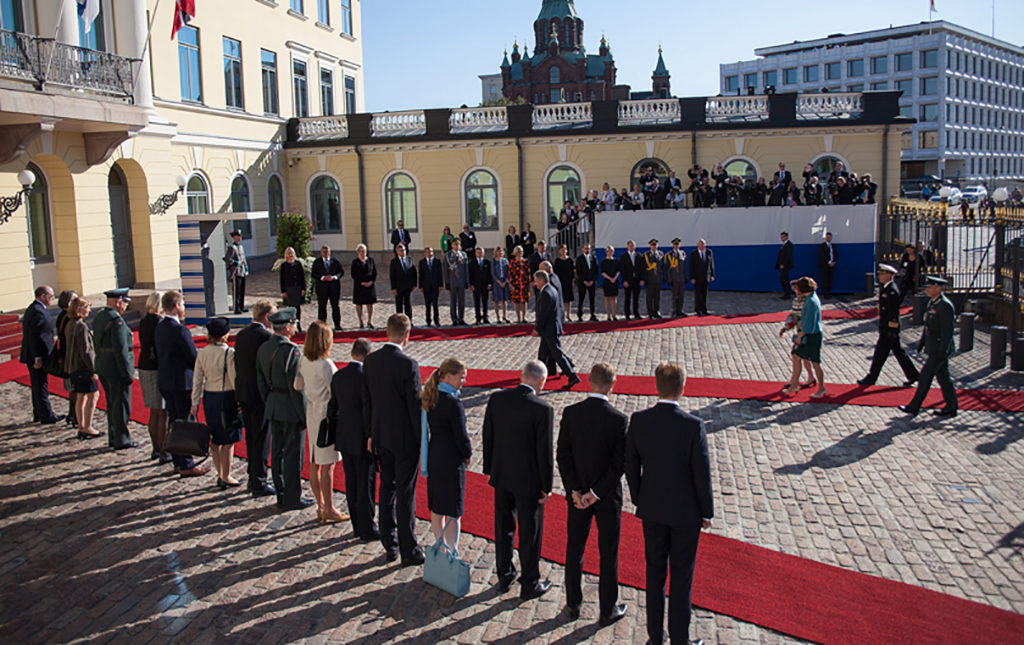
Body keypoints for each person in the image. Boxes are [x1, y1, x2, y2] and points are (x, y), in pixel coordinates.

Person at [626, 362, 713, 645]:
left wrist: (640, 497)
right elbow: (702, 472)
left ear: (656, 386)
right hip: (686, 512)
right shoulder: (693, 426)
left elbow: (631, 466)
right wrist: (707, 511)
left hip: (652, 506)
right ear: (683, 389)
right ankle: (680, 639)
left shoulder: (639, 420)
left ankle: (655, 637)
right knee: (681, 576)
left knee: (654, 574)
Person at [557, 363, 629, 625]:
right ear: (613, 384)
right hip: (607, 496)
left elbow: (562, 455)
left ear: (589, 381)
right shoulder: (618, 419)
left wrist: (575, 490)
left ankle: (573, 603)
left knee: (574, 548)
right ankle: (606, 608)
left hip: (577, 495)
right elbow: (619, 464)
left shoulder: (571, 413)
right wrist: (596, 493)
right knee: (608, 551)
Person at [483, 360, 554, 600]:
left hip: (502, 474)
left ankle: (504, 574)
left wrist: (490, 468)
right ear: (541, 381)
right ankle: (529, 582)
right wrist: (547, 486)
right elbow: (544, 453)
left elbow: (487, 435)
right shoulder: (542, 409)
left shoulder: (497, 399)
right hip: (529, 481)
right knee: (530, 532)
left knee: (503, 528)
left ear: (521, 376)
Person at [363, 313, 424, 565]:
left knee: (386, 486)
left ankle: (389, 541)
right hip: (404, 439)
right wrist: (422, 440)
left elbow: (366, 401)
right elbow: (415, 408)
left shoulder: (371, 361)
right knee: (405, 492)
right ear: (406, 335)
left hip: (380, 434)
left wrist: (369, 433)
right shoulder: (408, 365)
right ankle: (408, 547)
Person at [257, 307, 313, 510]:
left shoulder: (264, 348)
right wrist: (303, 414)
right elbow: (296, 388)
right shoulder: (291, 352)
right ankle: (292, 496)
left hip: (273, 404)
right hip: (289, 408)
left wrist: (269, 401)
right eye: (294, 324)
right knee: (292, 455)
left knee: (277, 452)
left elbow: (260, 381)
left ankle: (281, 492)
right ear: (288, 327)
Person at [294, 320, 348, 522]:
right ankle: (329, 507)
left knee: (315, 460)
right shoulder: (326, 365)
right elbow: (337, 390)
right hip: (326, 412)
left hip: (312, 410)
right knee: (328, 464)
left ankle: (321, 505)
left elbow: (297, 384)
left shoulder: (304, 360)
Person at [329, 338, 379, 541]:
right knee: (365, 483)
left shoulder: (339, 375)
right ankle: (367, 526)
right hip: (362, 437)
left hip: (344, 435)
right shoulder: (367, 378)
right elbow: (369, 409)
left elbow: (333, 406)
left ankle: (357, 525)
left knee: (351, 481)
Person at [421, 358, 471, 551]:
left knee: (437, 507)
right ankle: (451, 549)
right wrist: (467, 454)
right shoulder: (453, 403)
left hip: (435, 455)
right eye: (461, 377)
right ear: (448, 376)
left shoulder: (431, 398)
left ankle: (440, 546)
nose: (463, 381)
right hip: (451, 459)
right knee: (453, 510)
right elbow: (461, 435)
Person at [155, 290, 205, 474]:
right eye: (182, 304)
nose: (184, 308)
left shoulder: (160, 326)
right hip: (181, 382)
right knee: (183, 422)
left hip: (166, 380)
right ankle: (186, 463)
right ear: (176, 306)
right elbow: (192, 356)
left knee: (174, 420)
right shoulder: (179, 329)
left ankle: (178, 460)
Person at [190, 317, 242, 489]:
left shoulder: (203, 352)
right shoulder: (229, 353)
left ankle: (220, 472)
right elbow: (235, 379)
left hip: (209, 397)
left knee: (215, 438)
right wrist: (240, 400)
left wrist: (195, 401)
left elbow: (197, 379)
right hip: (225, 397)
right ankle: (226, 475)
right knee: (227, 440)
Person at [235, 298, 277, 497]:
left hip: (244, 392)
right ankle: (259, 480)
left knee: (251, 437)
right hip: (260, 396)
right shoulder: (266, 338)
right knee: (261, 438)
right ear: (266, 316)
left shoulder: (241, 335)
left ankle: (253, 476)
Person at [900, 276, 958, 418]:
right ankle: (951, 407)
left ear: (938, 288)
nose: (927, 289)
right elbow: (928, 327)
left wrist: (943, 350)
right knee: (944, 379)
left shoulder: (944, 306)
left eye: (930, 287)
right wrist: (922, 343)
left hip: (940, 349)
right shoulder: (933, 303)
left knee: (925, 377)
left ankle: (914, 406)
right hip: (934, 347)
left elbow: (947, 331)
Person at [857, 265, 920, 387]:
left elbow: (893, 312)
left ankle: (871, 377)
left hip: (889, 329)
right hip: (887, 327)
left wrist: (891, 329)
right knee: (898, 352)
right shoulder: (885, 289)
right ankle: (913, 375)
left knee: (880, 353)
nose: (879, 276)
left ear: (889, 275)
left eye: (882, 274)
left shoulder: (891, 291)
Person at [93, 288, 136, 450]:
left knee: (112, 403)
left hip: (103, 364)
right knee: (121, 405)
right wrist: (127, 372)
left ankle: (113, 435)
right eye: (124, 302)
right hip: (115, 367)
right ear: (118, 302)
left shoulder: (100, 316)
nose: (125, 306)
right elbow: (121, 350)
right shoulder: (116, 321)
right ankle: (122, 438)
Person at [20, 285, 62, 425]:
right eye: (50, 296)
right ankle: (46, 415)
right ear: (42, 296)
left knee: (38, 384)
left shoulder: (37, 309)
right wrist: (37, 356)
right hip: (36, 355)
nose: (52, 299)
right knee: (40, 385)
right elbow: (34, 336)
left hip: (37, 354)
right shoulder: (37, 311)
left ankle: (38, 412)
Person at [781, 277, 827, 399]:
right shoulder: (811, 299)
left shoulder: (810, 302)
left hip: (811, 336)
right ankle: (795, 383)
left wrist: (800, 336)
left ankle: (820, 388)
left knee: (815, 362)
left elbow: (809, 324)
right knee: (797, 357)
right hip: (811, 334)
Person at [137, 291, 169, 461]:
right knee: (161, 412)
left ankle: (156, 448)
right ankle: (162, 449)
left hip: (144, 366)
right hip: (156, 367)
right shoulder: (159, 323)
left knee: (154, 411)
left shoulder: (144, 321)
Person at [533, 270, 580, 388]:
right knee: (542, 354)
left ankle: (572, 375)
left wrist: (537, 328)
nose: (535, 284)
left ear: (542, 280)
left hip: (549, 329)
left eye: (536, 281)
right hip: (549, 328)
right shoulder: (551, 290)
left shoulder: (546, 293)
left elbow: (543, 314)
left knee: (557, 353)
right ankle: (537, 376)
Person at [64, 297, 101, 440]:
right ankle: (87, 426)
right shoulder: (81, 326)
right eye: (86, 307)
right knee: (92, 395)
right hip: (83, 367)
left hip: (73, 367)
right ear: (79, 309)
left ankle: (81, 425)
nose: (89, 310)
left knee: (81, 396)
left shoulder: (70, 324)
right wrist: (93, 369)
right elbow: (86, 351)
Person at [55, 289, 79, 430]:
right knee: (75, 388)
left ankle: (72, 413)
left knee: (73, 388)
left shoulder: (63, 316)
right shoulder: (67, 317)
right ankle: (74, 414)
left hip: (66, 355)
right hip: (69, 356)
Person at [312, 245, 345, 330]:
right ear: (321, 252)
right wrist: (323, 277)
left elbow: (341, 272)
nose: (326, 253)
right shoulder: (317, 262)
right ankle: (322, 325)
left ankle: (337, 324)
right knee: (322, 306)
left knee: (335, 306)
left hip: (334, 287)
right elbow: (314, 274)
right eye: (324, 252)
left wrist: (334, 277)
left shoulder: (335, 262)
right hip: (322, 288)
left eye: (328, 252)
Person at [279, 247, 306, 331]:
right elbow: (282, 279)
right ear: (286, 254)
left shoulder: (298, 264)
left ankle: (298, 324)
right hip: (288, 289)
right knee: (290, 308)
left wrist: (303, 288)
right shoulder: (284, 265)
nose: (290, 255)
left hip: (297, 288)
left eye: (291, 253)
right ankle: (291, 326)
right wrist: (283, 291)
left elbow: (302, 277)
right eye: (288, 253)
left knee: (297, 308)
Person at [351, 244, 378, 329]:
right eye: (362, 251)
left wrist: (371, 281)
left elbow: (374, 272)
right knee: (359, 303)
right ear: (358, 252)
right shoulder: (355, 262)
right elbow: (353, 274)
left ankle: (369, 321)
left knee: (370, 303)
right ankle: (361, 321)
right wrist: (361, 282)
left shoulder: (370, 260)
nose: (363, 253)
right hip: (359, 286)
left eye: (365, 251)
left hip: (370, 285)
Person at [389, 243, 417, 321]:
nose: (403, 252)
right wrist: (393, 288)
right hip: (398, 287)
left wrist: (414, 284)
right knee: (399, 304)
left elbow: (414, 272)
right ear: (397, 252)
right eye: (401, 251)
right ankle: (399, 321)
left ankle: (409, 320)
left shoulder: (409, 259)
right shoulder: (394, 262)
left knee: (408, 304)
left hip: (408, 286)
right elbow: (392, 276)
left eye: (404, 250)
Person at [445, 238, 469, 326]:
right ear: (452, 245)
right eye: (455, 244)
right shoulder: (448, 255)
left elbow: (466, 269)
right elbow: (445, 270)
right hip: (452, 282)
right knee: (453, 301)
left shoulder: (463, 255)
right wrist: (447, 282)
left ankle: (461, 318)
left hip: (461, 281)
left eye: (458, 245)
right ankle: (454, 319)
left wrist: (467, 281)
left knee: (462, 301)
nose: (457, 246)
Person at [418, 246, 444, 327]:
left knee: (435, 304)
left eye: (431, 251)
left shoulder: (437, 261)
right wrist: (421, 286)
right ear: (425, 253)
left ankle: (436, 320)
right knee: (427, 304)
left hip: (435, 286)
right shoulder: (422, 262)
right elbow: (420, 275)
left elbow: (440, 274)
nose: (430, 253)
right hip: (426, 286)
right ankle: (428, 320)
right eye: (428, 252)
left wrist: (440, 285)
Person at [662, 238, 688, 317]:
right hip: (674, 278)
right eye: (675, 244)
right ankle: (674, 309)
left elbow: (684, 267)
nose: (676, 246)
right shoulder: (669, 255)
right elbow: (667, 269)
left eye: (678, 244)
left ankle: (680, 310)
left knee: (681, 295)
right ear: (673, 245)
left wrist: (685, 277)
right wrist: (669, 279)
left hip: (681, 278)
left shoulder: (682, 253)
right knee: (674, 295)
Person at [688, 239, 715, 316]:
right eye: (701, 244)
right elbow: (691, 266)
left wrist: (712, 275)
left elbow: (711, 264)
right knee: (698, 294)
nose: (702, 246)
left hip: (706, 277)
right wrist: (692, 277)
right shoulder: (693, 254)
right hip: (697, 277)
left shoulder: (709, 252)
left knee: (704, 294)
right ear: (698, 245)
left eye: (703, 244)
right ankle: (697, 309)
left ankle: (704, 309)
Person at [225, 230, 249, 313]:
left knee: (242, 290)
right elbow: (227, 259)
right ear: (234, 237)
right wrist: (235, 262)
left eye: (240, 236)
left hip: (242, 271)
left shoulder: (241, 247)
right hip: (235, 271)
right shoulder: (232, 247)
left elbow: (244, 259)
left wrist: (246, 268)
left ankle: (241, 307)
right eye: (238, 236)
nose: (240, 238)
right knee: (236, 291)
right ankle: (236, 308)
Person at [618, 240, 643, 320]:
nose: (631, 247)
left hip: (637, 280)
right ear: (627, 247)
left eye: (633, 246)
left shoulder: (639, 256)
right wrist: (624, 280)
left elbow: (642, 269)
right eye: (630, 245)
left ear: (635, 247)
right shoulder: (623, 256)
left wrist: (642, 279)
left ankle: (636, 313)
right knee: (627, 298)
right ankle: (627, 314)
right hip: (628, 281)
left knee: (636, 298)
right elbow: (622, 270)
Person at [574, 243, 598, 322]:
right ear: (583, 249)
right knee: (581, 299)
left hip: (591, 282)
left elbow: (596, 270)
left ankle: (592, 314)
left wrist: (592, 280)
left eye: (588, 248)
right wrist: (584, 281)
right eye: (586, 248)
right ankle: (580, 315)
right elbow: (578, 272)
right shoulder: (579, 259)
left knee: (592, 299)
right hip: (582, 282)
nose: (587, 250)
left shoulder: (593, 258)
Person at [468, 246, 492, 324]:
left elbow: (490, 274)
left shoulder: (487, 262)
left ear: (484, 253)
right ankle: (478, 318)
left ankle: (485, 317)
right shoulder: (472, 263)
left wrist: (489, 284)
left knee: (485, 302)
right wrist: (471, 284)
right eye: (478, 252)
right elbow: (470, 275)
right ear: (475, 253)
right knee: (477, 302)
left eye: (481, 252)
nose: (480, 254)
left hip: (485, 286)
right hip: (476, 285)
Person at [553, 245, 575, 323]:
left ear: (567, 250)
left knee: (568, 299)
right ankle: (560, 315)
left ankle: (568, 315)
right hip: (560, 282)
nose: (563, 251)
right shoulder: (557, 261)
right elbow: (555, 272)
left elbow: (572, 272)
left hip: (568, 281)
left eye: (564, 249)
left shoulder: (570, 260)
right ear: (559, 251)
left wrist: (573, 281)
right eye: (562, 250)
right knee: (560, 299)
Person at [509, 245, 531, 323]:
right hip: (516, 284)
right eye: (518, 251)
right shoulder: (512, 262)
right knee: (516, 301)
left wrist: (529, 282)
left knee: (524, 302)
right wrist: (512, 284)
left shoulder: (525, 261)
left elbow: (528, 272)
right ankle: (518, 318)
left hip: (524, 284)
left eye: (521, 251)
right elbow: (511, 274)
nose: (520, 253)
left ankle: (524, 317)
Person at [642, 239, 663, 319]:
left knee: (657, 297)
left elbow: (662, 267)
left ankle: (656, 311)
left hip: (658, 279)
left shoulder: (660, 254)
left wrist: (662, 277)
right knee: (649, 297)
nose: (654, 246)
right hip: (649, 280)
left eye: (655, 245)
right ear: (650, 246)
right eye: (652, 245)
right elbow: (644, 268)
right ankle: (650, 312)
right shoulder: (646, 255)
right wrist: (644, 279)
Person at [490, 246, 511, 324]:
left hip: (504, 281)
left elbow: (508, 272)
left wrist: (505, 281)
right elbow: (493, 273)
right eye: (498, 251)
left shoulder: (505, 261)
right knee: (496, 300)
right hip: (497, 282)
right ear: (496, 252)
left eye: (501, 251)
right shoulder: (493, 261)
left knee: (504, 300)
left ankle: (504, 316)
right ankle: (498, 317)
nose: (500, 253)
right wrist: (499, 282)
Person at [600, 245, 620, 321]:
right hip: (607, 281)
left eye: (612, 251)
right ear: (606, 252)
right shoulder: (604, 261)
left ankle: (614, 315)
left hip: (614, 281)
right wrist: (610, 278)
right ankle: (608, 315)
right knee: (607, 298)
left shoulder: (616, 261)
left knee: (614, 298)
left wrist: (614, 278)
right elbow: (602, 272)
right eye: (609, 251)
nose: (610, 252)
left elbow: (618, 271)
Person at [817, 232, 837, 298]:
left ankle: (829, 292)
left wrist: (834, 262)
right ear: (825, 237)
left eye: (830, 237)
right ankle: (825, 294)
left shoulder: (833, 246)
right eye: (827, 237)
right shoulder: (822, 246)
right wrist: (828, 262)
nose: (828, 238)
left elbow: (835, 255)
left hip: (832, 266)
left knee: (830, 279)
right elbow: (822, 256)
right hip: (824, 266)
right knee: (824, 280)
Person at [777, 232, 795, 299]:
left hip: (786, 266)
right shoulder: (784, 245)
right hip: (783, 265)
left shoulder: (789, 245)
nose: (782, 238)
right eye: (781, 237)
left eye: (783, 237)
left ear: (787, 237)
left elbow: (788, 256)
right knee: (783, 279)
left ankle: (787, 294)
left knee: (784, 279)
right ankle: (786, 293)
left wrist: (783, 264)